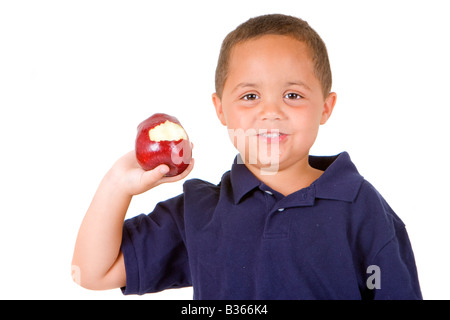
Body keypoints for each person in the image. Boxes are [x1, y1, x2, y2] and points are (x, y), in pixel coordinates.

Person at [72, 14, 422, 299]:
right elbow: (91, 272)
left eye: (293, 95)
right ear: (220, 109)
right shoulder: (199, 213)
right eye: (251, 96)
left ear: (326, 107)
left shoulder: (362, 207)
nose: (271, 112)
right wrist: (118, 184)